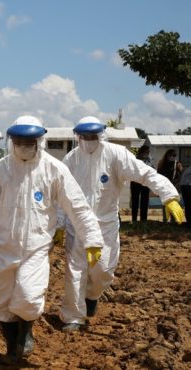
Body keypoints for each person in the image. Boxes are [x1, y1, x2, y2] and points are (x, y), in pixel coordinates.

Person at [0, 115, 104, 364]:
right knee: (1, 302)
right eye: (19, 141)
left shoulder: (54, 169)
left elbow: (77, 206)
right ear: (12, 140)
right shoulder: (0, 169)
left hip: (35, 247)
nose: (24, 146)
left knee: (28, 296)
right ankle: (12, 350)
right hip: (3, 247)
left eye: (29, 141)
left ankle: (26, 331)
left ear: (39, 140)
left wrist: (92, 239)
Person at [58, 116, 184, 332]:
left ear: (101, 135)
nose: (88, 140)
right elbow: (60, 193)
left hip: (105, 226)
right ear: (78, 136)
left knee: (103, 271)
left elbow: (145, 173)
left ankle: (92, 296)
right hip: (77, 227)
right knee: (75, 271)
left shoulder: (116, 154)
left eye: (92, 136)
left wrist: (169, 196)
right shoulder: (71, 159)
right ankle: (72, 316)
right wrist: (59, 224)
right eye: (83, 136)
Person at [130, 146, 152, 223]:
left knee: (145, 201)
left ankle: (143, 220)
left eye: (148, 152)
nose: (148, 153)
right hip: (135, 182)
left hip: (145, 183)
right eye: (146, 152)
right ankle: (134, 219)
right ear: (142, 152)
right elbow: (132, 170)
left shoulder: (149, 159)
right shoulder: (135, 159)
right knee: (135, 201)